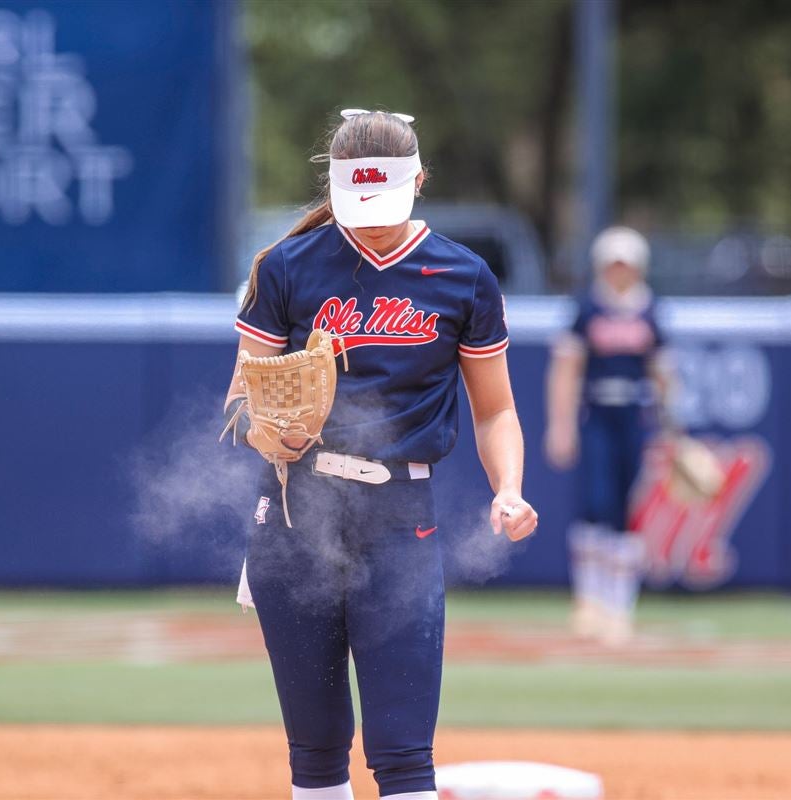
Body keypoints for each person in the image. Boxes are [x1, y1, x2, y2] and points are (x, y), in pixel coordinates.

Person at [224, 108, 538, 800]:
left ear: (419, 180)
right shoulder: (287, 266)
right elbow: (242, 399)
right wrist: (271, 428)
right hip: (295, 510)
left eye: (383, 201)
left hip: (400, 515)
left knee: (402, 751)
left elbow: (496, 410)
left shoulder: (463, 276)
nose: (368, 218)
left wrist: (507, 487)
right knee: (314, 748)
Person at [543, 226, 669, 645]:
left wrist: (673, 429)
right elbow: (566, 369)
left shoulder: (650, 309)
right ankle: (589, 602)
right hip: (596, 412)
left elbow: (662, 372)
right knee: (594, 504)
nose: (619, 272)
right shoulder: (588, 309)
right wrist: (560, 425)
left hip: (634, 415)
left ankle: (619, 607)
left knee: (624, 512)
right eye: (613, 264)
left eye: (625, 264)